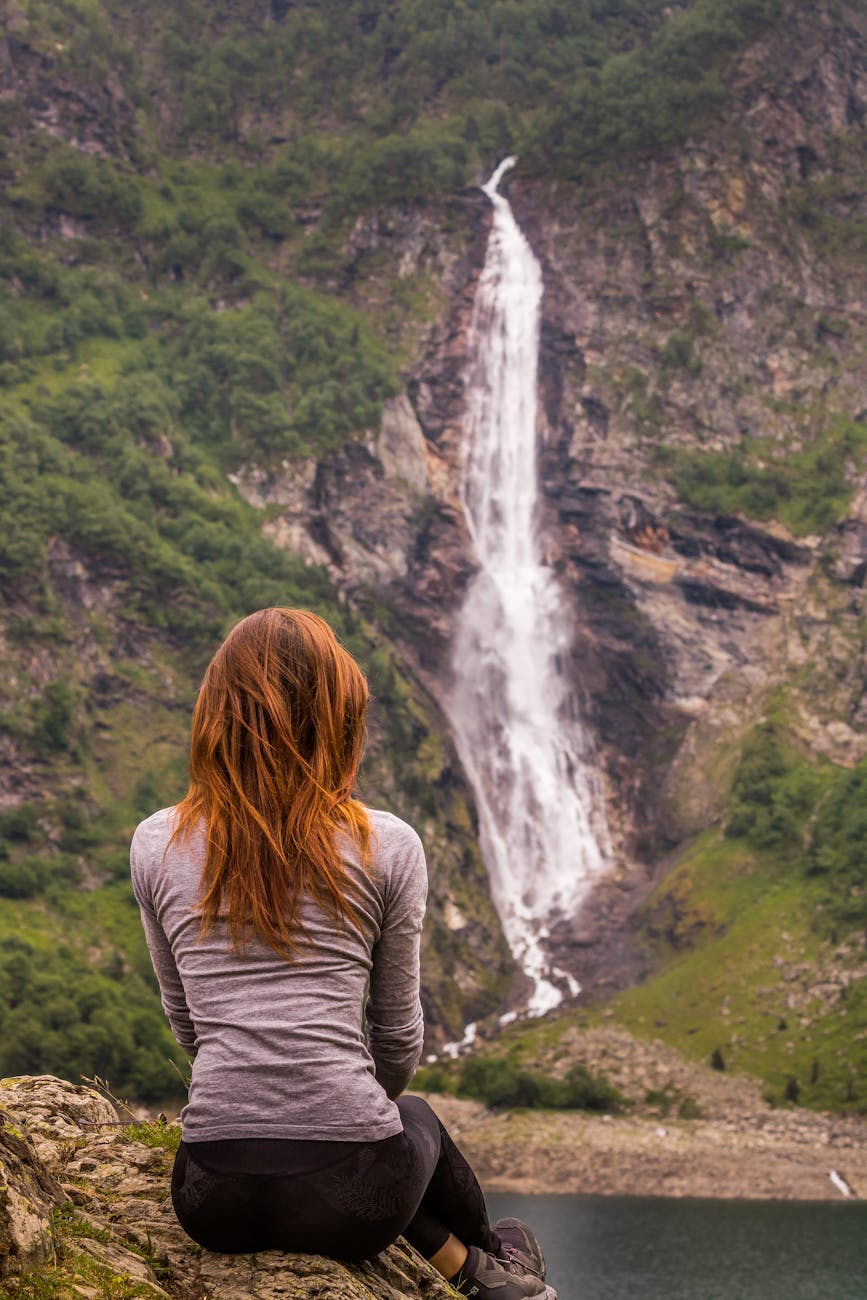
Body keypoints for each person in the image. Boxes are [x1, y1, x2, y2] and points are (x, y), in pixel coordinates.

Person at [130, 607, 556, 1300]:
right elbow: (395, 1039)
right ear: (338, 720)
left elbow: (188, 1028)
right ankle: (491, 1262)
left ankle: (481, 1268)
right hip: (355, 1206)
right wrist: (337, 1108)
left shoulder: (155, 842)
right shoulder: (386, 846)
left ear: (214, 714)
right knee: (413, 1117)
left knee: (347, 1142)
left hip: (210, 1200)